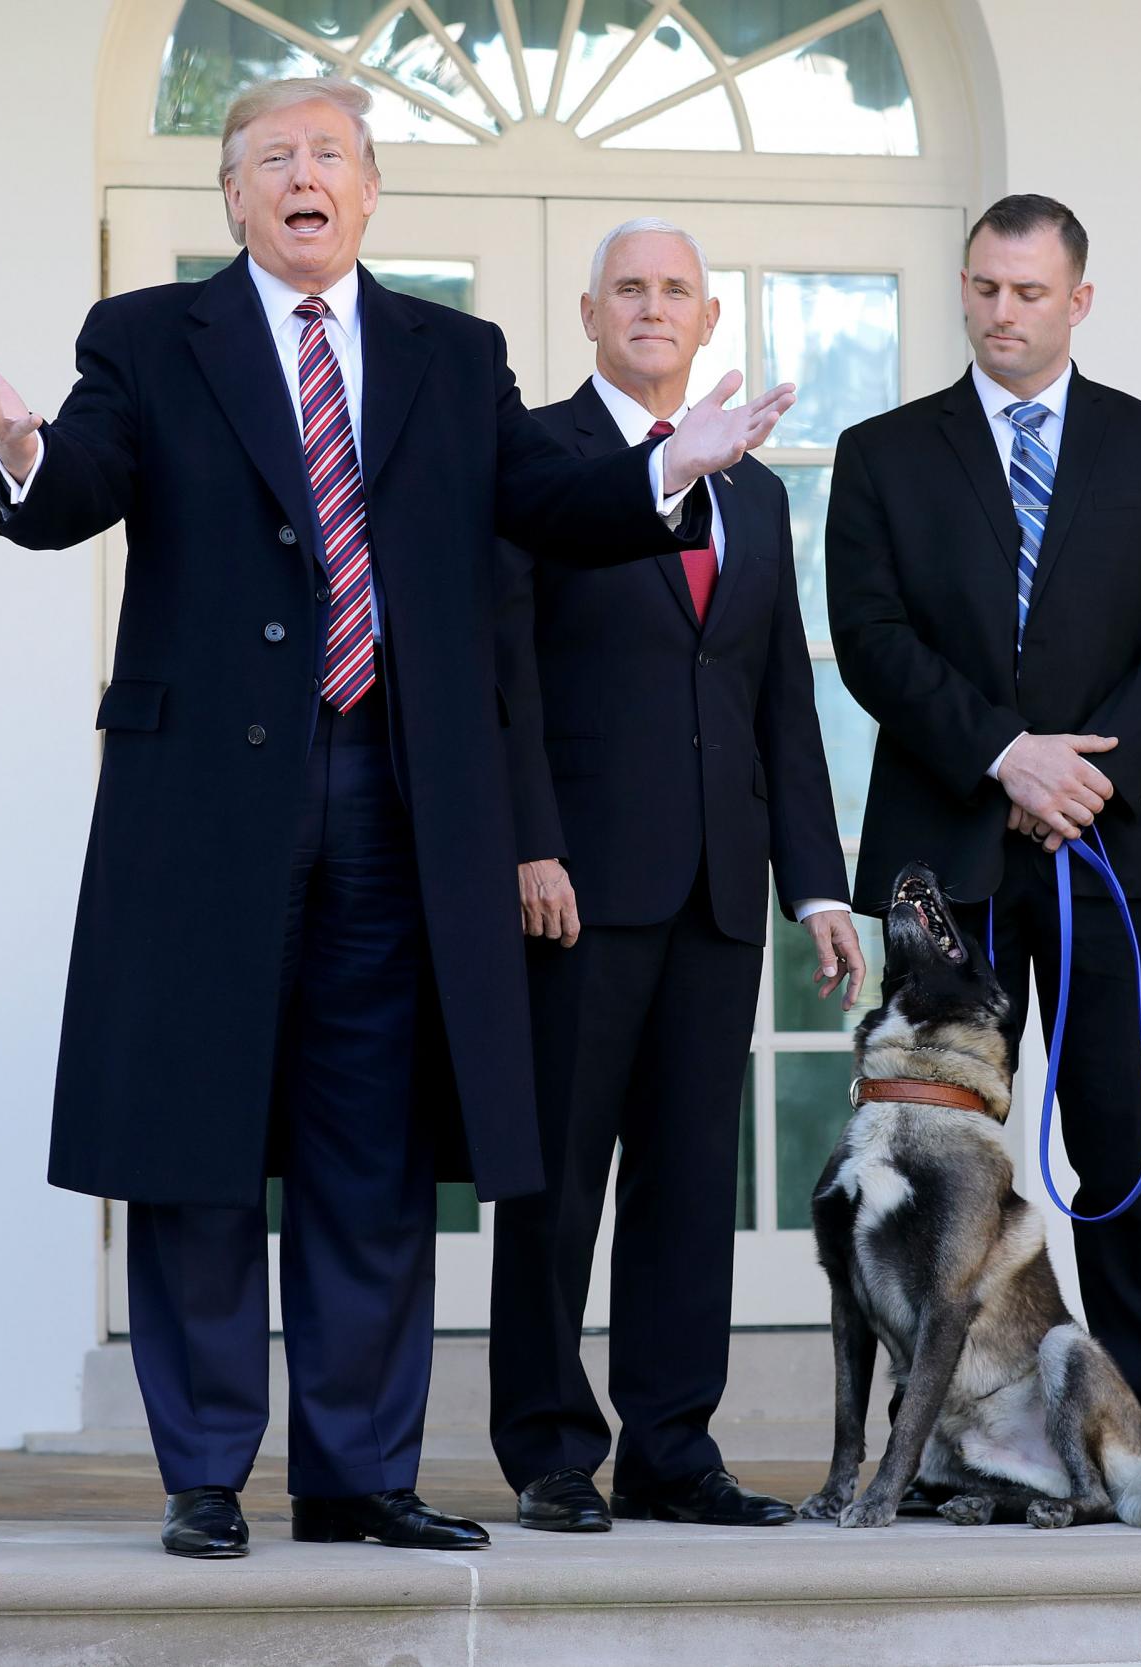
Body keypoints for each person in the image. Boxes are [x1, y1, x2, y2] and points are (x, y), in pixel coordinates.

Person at [0, 78, 792, 1559]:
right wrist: (22, 446)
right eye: (272, 157)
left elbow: (553, 498)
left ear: (371, 193)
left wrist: (671, 463)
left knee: (375, 1145)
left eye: (330, 155)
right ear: (232, 197)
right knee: (201, 1138)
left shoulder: (451, 357)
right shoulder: (150, 338)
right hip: (210, 806)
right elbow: (75, 485)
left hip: (403, 801)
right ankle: (206, 1469)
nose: (303, 177)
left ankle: (358, 1472)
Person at [826, 194, 1141, 1452]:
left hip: (1110, 846)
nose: (1003, 313)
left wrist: (1084, 776)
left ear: (1077, 301)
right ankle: (942, 1432)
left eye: (1029, 293)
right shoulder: (885, 451)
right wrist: (1005, 755)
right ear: (965, 287)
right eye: (985, 289)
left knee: (1119, 1133)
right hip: (946, 851)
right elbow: (872, 639)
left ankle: (1131, 1422)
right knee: (937, 1155)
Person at [487, 219, 863, 1533]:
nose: (652, 308)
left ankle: (670, 1447)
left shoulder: (756, 491)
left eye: (675, 293)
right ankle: (546, 1446)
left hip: (717, 882)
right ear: (589, 313)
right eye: (628, 289)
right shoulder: (534, 454)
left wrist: (817, 882)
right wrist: (529, 840)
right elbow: (507, 673)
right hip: (576, 882)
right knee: (559, 1174)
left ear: (707, 321)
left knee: (690, 1177)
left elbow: (776, 695)